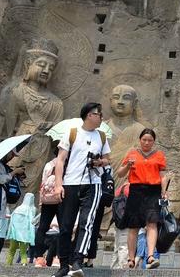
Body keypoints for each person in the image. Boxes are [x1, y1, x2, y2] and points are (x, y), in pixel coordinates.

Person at [52, 102, 111, 277]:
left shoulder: (101, 136)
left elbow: (108, 159)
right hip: (71, 183)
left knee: (87, 223)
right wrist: (58, 184)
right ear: (89, 115)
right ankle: (63, 264)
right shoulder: (72, 133)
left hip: (93, 183)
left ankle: (77, 260)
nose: (101, 117)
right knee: (65, 226)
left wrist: (100, 162)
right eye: (99, 114)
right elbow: (60, 160)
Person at [115, 128, 167, 270]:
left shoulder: (159, 155)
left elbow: (163, 175)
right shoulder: (132, 154)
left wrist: (164, 191)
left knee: (152, 223)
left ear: (154, 142)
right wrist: (127, 166)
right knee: (134, 225)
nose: (146, 142)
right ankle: (131, 258)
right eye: (144, 139)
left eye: (150, 140)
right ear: (140, 140)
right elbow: (120, 174)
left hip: (153, 191)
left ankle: (150, 256)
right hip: (136, 190)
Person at [34, 147, 60, 268]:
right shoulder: (66, 164)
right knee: (64, 228)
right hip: (61, 199)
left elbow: (43, 183)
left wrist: (41, 200)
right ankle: (57, 258)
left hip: (47, 200)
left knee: (42, 228)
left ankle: (39, 258)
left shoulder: (48, 165)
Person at [6, 192, 37, 266]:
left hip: (15, 233)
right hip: (25, 234)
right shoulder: (33, 209)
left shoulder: (18, 208)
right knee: (23, 251)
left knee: (11, 250)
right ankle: (23, 263)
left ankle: (8, 263)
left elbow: (12, 219)